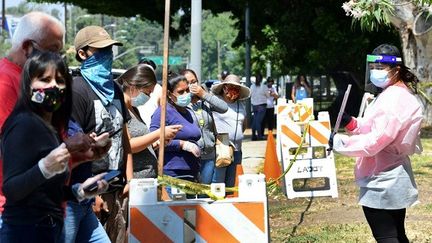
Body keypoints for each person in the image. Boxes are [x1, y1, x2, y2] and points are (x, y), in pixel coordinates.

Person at [0, 52, 110, 242]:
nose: (53, 86)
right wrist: (45, 167)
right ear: (28, 85)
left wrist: (79, 191)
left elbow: (43, 190)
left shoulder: (52, 128)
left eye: (60, 80)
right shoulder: (23, 124)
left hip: (48, 229)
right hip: (24, 231)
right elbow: (12, 189)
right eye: (44, 79)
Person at [332, 44, 422, 243]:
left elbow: (376, 141)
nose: (375, 72)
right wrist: (353, 123)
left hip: (383, 178)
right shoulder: (394, 94)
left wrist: (339, 143)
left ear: (396, 70)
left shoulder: (394, 98)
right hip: (391, 173)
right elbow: (376, 126)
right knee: (397, 234)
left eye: (380, 67)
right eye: (373, 67)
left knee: (387, 236)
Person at [64, 26, 132, 243]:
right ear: (82, 54)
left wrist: (128, 179)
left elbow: (124, 137)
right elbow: (73, 146)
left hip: (115, 187)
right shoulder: (76, 90)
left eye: (109, 50)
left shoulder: (116, 90)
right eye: (100, 51)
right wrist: (92, 193)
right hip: (82, 194)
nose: (107, 56)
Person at [0, 11, 65, 229]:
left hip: (46, 205)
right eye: (53, 50)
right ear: (28, 47)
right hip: (18, 211)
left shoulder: (27, 82)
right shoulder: (6, 85)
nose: (57, 60)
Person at [117, 64, 182, 179]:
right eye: (147, 93)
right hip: (135, 180)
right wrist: (158, 133)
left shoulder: (134, 109)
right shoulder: (120, 109)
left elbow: (140, 142)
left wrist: (155, 144)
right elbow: (127, 145)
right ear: (133, 87)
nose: (149, 97)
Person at [150, 73, 201, 186]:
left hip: (192, 171)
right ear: (169, 94)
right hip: (172, 173)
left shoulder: (188, 112)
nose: (186, 94)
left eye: (187, 90)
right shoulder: (162, 112)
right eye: (181, 92)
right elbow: (153, 141)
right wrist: (181, 144)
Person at [180, 68, 228, 185]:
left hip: (208, 156)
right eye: (189, 82)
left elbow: (223, 107)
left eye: (194, 81)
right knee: (191, 194)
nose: (193, 85)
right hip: (189, 157)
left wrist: (204, 94)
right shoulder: (181, 104)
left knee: (204, 193)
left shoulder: (205, 101)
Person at [211, 74, 250, 187]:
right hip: (221, 148)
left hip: (237, 149)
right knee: (218, 181)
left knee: (232, 182)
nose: (233, 91)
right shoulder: (215, 102)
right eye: (230, 87)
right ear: (224, 88)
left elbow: (243, 124)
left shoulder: (240, 105)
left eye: (236, 88)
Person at [250, 73, 270, 140]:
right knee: (258, 121)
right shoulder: (264, 87)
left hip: (254, 105)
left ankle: (253, 135)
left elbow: (250, 95)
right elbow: (268, 96)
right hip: (262, 106)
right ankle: (259, 135)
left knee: (255, 120)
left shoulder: (252, 86)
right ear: (261, 79)